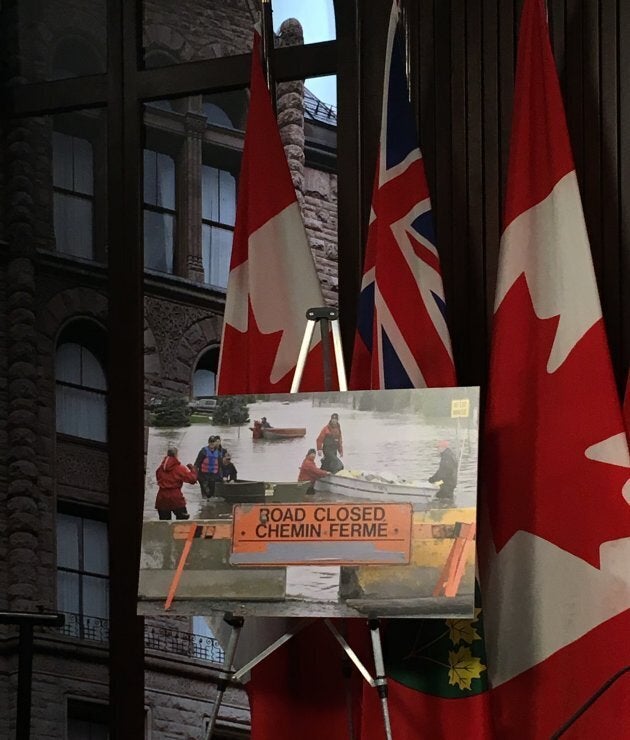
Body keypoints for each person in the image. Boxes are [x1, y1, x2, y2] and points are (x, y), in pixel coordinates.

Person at [155, 446, 197, 520]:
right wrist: (192, 469)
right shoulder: (180, 468)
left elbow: (158, 478)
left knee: (164, 523)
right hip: (176, 498)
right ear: (176, 455)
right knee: (182, 522)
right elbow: (192, 480)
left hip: (161, 498)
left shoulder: (160, 469)